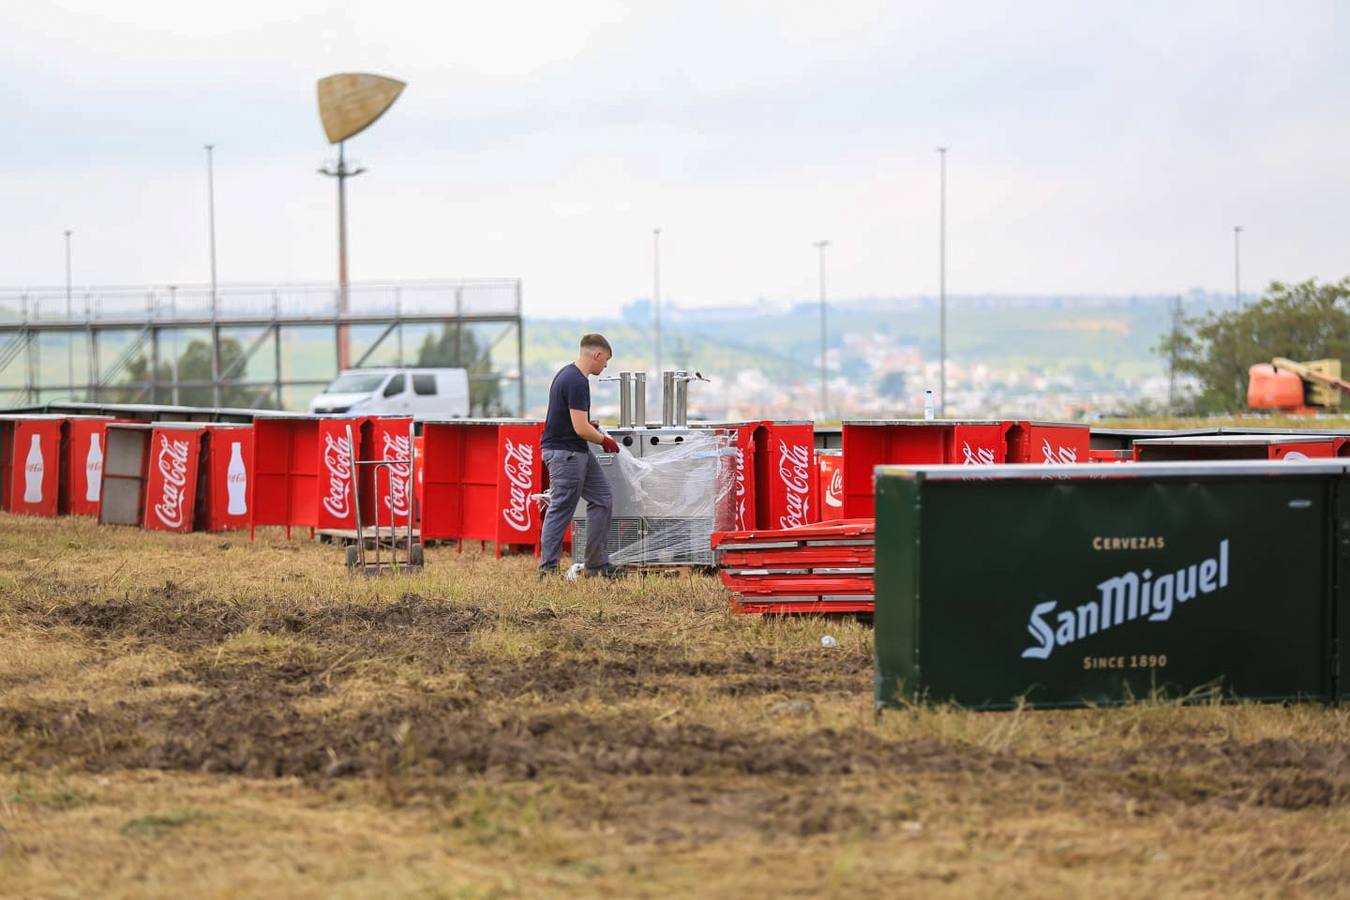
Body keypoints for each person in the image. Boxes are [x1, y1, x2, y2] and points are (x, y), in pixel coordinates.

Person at [538, 333, 625, 578]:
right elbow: (580, 429)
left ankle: (596, 564)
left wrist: (588, 424)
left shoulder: (567, 374)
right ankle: (548, 570)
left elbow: (574, 420)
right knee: (561, 509)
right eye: (605, 360)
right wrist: (605, 440)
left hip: (576, 451)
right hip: (566, 455)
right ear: (596, 355)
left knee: (602, 499)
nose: (605, 365)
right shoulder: (577, 381)